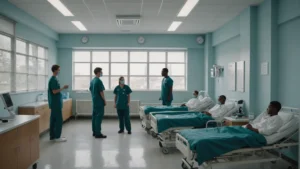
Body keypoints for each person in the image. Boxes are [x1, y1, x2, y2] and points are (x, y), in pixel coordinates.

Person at [48, 65, 68, 142]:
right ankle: (57, 137)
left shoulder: (54, 79)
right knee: (59, 120)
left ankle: (52, 136)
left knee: (53, 120)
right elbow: (54, 91)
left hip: (55, 103)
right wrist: (63, 87)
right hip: (56, 103)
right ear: (55, 70)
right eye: (58, 70)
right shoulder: (53, 80)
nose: (59, 71)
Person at [89, 67, 107, 139]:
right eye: (101, 72)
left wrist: (94, 97)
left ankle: (94, 131)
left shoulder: (92, 81)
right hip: (99, 101)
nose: (102, 73)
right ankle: (98, 133)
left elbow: (91, 90)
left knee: (94, 117)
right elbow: (101, 92)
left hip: (94, 100)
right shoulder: (98, 81)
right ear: (98, 72)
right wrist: (104, 100)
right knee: (99, 117)